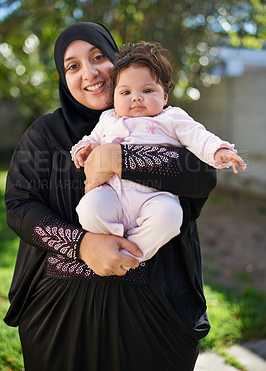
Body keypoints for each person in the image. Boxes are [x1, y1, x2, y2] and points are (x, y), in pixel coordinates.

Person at [4, 22, 217, 371]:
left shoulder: (163, 123)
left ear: (118, 63)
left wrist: (120, 158)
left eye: (98, 57)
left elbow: (201, 175)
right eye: (72, 66)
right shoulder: (45, 134)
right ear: (63, 76)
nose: (88, 72)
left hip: (154, 315)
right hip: (59, 317)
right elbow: (18, 205)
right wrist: (81, 244)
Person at [71, 41, 246, 266]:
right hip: (113, 194)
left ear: (164, 97)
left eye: (147, 90)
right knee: (88, 207)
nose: (136, 97)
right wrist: (83, 149)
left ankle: (133, 253)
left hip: (154, 196)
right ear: (113, 98)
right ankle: (113, 243)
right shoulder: (108, 119)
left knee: (170, 216)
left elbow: (198, 136)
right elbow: (92, 140)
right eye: (125, 92)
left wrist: (218, 149)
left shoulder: (171, 118)